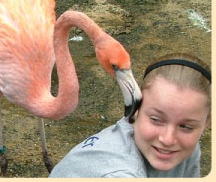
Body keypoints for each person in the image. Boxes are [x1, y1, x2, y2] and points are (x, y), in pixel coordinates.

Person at [49, 53, 211, 178]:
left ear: (206, 123)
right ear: (136, 109)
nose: (168, 139)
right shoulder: (119, 173)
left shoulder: (186, 148)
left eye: (185, 126)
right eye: (156, 120)